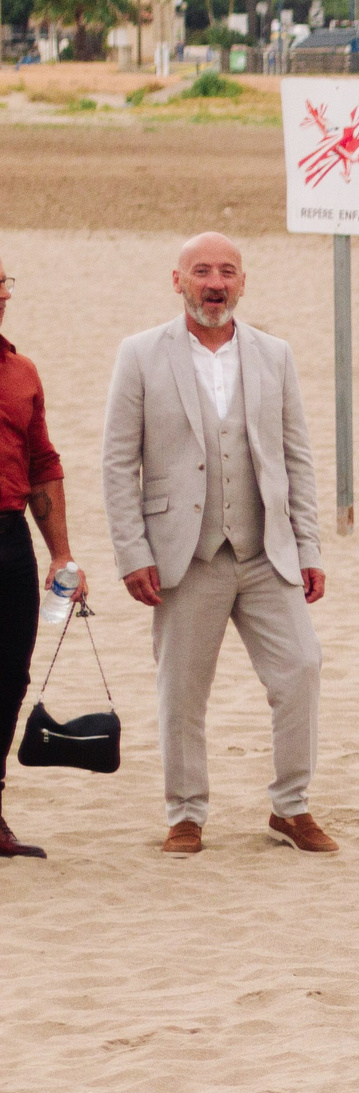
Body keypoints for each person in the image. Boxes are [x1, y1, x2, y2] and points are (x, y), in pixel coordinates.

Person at [103, 232, 334, 856]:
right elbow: (118, 461)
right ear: (176, 280)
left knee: (302, 668)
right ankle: (186, 815)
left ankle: (291, 807)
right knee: (181, 687)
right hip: (185, 554)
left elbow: (297, 458)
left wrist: (308, 548)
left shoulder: (273, 354)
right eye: (201, 271)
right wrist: (133, 552)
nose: (215, 282)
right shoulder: (141, 354)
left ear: (242, 282)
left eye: (227, 271)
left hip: (266, 552)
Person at [0, 255, 80, 859]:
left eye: (4, 281)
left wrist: (62, 557)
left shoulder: (21, 371)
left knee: (8, 678)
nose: (3, 292)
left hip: (9, 541)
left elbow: (42, 465)